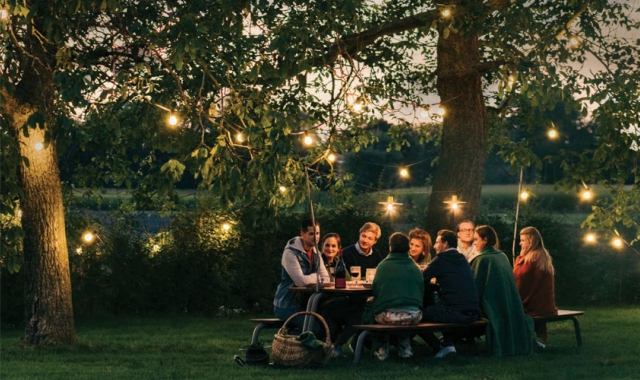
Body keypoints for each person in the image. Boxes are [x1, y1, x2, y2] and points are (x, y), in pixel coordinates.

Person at [470, 225, 534, 357]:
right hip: (509, 304)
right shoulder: (502, 255)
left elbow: (474, 288)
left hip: (492, 307)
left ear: (485, 240)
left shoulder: (482, 259)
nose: (474, 243)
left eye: (476, 239)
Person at [361, 233, 424, 360]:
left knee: (377, 309)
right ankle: (405, 349)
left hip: (389, 316)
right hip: (414, 315)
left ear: (390, 247)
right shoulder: (415, 267)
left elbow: (376, 290)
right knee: (401, 312)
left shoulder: (383, 266)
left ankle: (382, 349)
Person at [421, 229, 480, 358]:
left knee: (418, 316)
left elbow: (421, 278)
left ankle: (443, 347)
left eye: (437, 242)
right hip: (473, 312)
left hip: (457, 313)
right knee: (440, 302)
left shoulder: (442, 258)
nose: (435, 246)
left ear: (445, 244)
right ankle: (449, 341)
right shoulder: (462, 259)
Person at [273, 219, 330, 329]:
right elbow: (300, 281)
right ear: (302, 234)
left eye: (317, 233)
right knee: (315, 328)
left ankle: (331, 346)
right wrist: (317, 277)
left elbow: (326, 278)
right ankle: (297, 340)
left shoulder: (316, 253)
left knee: (331, 323)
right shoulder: (290, 253)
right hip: (287, 304)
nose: (316, 237)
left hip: (307, 304)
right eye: (311, 234)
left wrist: (311, 278)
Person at [514, 226, 558, 345]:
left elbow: (520, 278)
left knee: (509, 310)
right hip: (545, 305)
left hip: (536, 305)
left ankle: (520, 341)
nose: (520, 243)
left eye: (523, 240)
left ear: (531, 241)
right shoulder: (541, 255)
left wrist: (520, 257)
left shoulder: (533, 257)